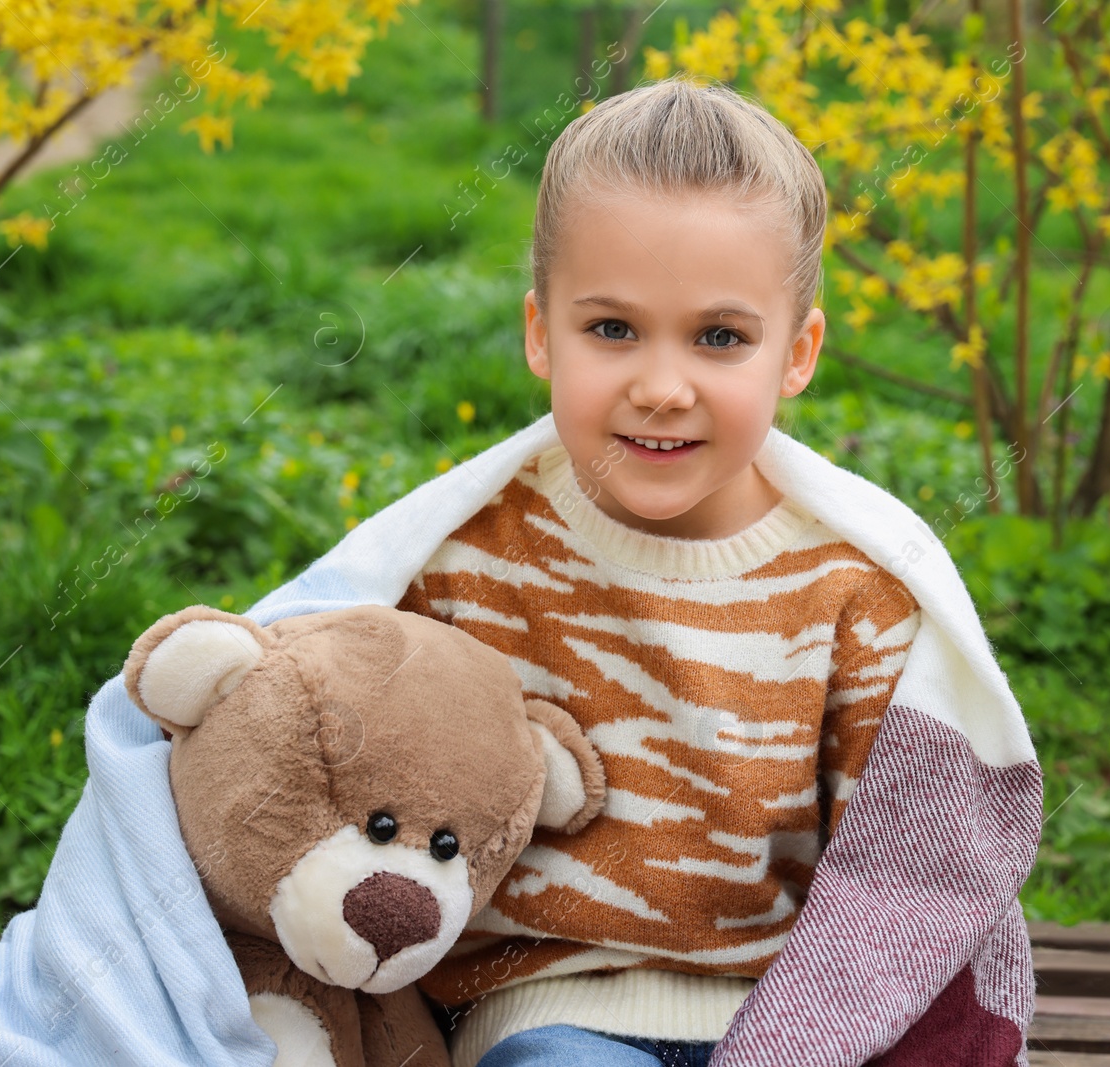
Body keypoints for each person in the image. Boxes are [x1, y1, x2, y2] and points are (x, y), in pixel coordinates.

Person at [387, 73, 924, 1067]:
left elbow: (895, 868)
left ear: (796, 351)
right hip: (546, 1016)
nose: (663, 386)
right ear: (540, 332)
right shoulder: (464, 563)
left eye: (719, 338)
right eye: (611, 328)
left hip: (783, 1024)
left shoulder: (851, 587)